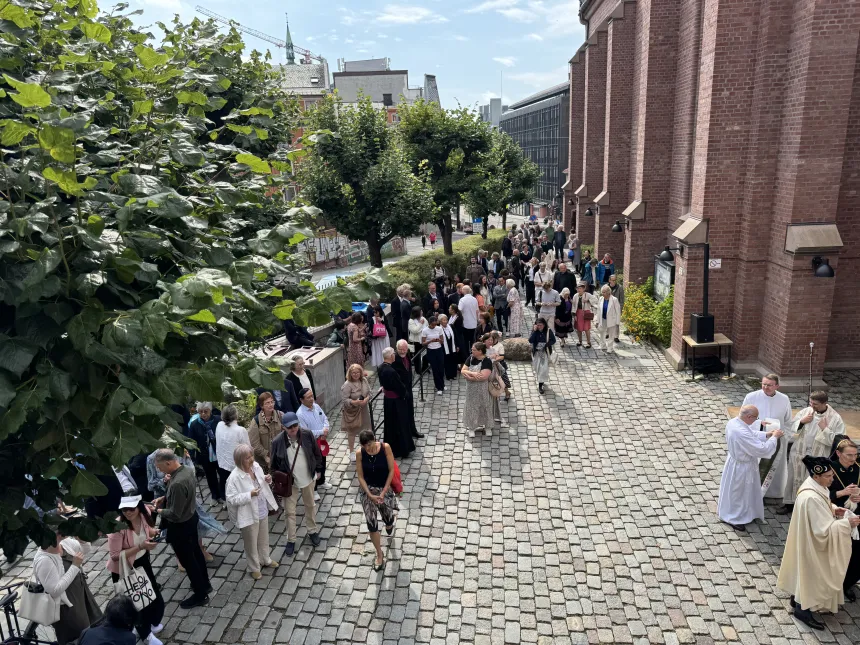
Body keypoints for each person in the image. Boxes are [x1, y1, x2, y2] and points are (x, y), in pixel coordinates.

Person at [777, 456, 859, 629]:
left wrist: (835, 509)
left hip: (807, 539)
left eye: (831, 475)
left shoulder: (814, 486)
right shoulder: (811, 497)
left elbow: (824, 507)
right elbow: (822, 531)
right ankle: (802, 610)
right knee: (812, 573)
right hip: (813, 545)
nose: (832, 479)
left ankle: (797, 597)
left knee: (804, 571)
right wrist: (847, 524)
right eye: (828, 476)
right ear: (816, 476)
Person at [152, 449, 210, 609]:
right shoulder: (187, 470)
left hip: (181, 527)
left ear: (169, 462)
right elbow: (181, 496)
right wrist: (164, 498)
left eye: (161, 467)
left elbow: (175, 514)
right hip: (191, 519)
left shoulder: (177, 482)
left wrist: (157, 510)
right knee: (197, 554)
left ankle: (200, 594)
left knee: (189, 560)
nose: (160, 471)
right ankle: (205, 584)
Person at [107, 496, 165, 645]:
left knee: (153, 596)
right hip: (124, 568)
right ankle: (146, 635)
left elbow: (146, 530)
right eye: (124, 509)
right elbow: (114, 556)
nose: (127, 512)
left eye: (131, 509)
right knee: (136, 602)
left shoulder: (144, 513)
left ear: (138, 507)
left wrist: (154, 532)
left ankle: (151, 622)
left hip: (142, 561)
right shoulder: (117, 527)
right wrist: (141, 547)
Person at [716, 406, 783, 531]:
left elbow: (750, 433)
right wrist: (775, 437)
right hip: (742, 466)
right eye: (755, 418)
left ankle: (747, 512)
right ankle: (734, 518)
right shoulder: (740, 431)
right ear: (748, 417)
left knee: (740, 491)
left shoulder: (734, 422)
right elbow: (762, 449)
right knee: (738, 492)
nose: (755, 420)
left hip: (735, 462)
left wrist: (767, 434)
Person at [31, 529, 101, 644]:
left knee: (93, 628)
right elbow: (54, 591)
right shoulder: (44, 561)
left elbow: (85, 549)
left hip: (80, 594)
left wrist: (82, 540)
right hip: (66, 607)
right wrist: (75, 566)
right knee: (80, 636)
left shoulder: (65, 543)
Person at [781, 391, 845, 513]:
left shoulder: (835, 418)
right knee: (793, 477)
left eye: (815, 404)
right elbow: (791, 427)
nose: (811, 406)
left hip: (818, 455)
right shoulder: (806, 412)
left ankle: (808, 508)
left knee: (811, 481)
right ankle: (790, 503)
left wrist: (825, 429)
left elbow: (839, 441)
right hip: (799, 451)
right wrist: (801, 422)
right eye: (810, 402)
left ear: (824, 403)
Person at [270, 412, 323, 557]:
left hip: (308, 478)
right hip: (290, 483)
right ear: (283, 428)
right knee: (289, 512)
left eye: (295, 425)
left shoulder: (307, 434)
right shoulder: (277, 442)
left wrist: (318, 470)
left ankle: (312, 530)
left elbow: (317, 453)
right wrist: (278, 479)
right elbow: (273, 465)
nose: (293, 429)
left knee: (310, 505)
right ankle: (291, 539)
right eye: (290, 427)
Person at [225, 444, 279, 580]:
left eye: (251, 456)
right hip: (248, 514)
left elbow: (262, 483)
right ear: (239, 460)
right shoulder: (234, 478)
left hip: (262, 509)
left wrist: (268, 479)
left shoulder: (256, 466)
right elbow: (231, 499)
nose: (251, 459)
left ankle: (265, 559)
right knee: (251, 543)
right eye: (247, 458)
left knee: (263, 538)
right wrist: (249, 495)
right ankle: (254, 567)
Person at [742, 374, 793, 500]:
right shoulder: (751, 397)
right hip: (758, 438)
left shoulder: (784, 399)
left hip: (777, 438)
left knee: (776, 467)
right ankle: (754, 492)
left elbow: (788, 421)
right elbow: (742, 418)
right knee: (757, 466)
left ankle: (774, 492)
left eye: (769, 385)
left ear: (777, 386)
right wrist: (759, 424)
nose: (765, 387)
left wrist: (782, 434)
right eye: (764, 384)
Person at [355, 430, 399, 571]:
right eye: (365, 446)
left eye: (369, 444)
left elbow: (391, 470)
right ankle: (379, 554)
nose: (368, 448)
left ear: (375, 439)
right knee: (371, 524)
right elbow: (360, 476)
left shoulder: (385, 448)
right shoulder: (359, 453)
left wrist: (384, 491)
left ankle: (389, 523)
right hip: (368, 492)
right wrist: (369, 494)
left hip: (383, 488)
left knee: (388, 517)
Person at [829, 438, 860, 602]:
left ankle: (847, 583)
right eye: (849, 455)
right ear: (839, 454)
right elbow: (818, 495)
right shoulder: (829, 470)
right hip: (835, 514)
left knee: (856, 553)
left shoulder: (858, 469)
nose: (853, 459)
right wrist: (842, 493)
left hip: (856, 516)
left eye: (855, 455)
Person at [377, 347, 416, 458]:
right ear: (390, 356)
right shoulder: (391, 371)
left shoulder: (380, 368)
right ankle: (402, 449)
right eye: (393, 353)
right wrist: (405, 395)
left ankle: (391, 447)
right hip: (397, 402)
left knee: (390, 424)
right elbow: (400, 388)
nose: (395, 355)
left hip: (388, 401)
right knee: (401, 424)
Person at [296, 388, 332, 497]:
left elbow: (324, 418)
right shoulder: (300, 414)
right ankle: (314, 489)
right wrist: (321, 432)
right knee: (313, 464)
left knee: (323, 459)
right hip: (310, 443)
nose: (311, 399)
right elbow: (305, 432)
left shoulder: (316, 406)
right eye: (308, 397)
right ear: (302, 400)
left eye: (312, 396)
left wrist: (325, 429)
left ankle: (321, 482)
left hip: (321, 440)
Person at [186, 402, 222, 501]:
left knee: (222, 475)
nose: (203, 414)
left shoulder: (218, 420)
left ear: (210, 411)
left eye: (205, 411)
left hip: (219, 453)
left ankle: (224, 495)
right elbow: (191, 441)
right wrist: (191, 454)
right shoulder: (195, 424)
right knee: (211, 477)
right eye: (200, 412)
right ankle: (215, 496)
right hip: (205, 455)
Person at [215, 405, 250, 502]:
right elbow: (248, 448)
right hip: (236, 465)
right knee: (238, 489)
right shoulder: (240, 430)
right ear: (235, 415)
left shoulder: (219, 425)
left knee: (225, 484)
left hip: (222, 463)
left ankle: (226, 501)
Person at [461, 342, 495, 438]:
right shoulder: (471, 358)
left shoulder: (487, 361)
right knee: (471, 407)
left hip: (482, 389)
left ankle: (487, 426)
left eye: (474, 350)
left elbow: (484, 376)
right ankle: (472, 427)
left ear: (480, 351)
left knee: (485, 405)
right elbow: (463, 370)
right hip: (471, 389)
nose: (472, 351)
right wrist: (475, 374)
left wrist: (470, 377)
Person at [393, 340, 424, 440]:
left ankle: (413, 430)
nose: (402, 352)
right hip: (401, 391)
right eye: (400, 350)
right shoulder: (394, 359)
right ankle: (405, 434)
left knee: (410, 411)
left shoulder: (407, 355)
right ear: (396, 349)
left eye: (404, 350)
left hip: (408, 388)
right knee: (403, 414)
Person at [340, 364, 372, 460]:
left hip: (364, 410)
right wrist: (355, 402)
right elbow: (344, 400)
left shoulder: (364, 380)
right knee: (352, 432)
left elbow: (370, 392)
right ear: (350, 373)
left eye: (358, 372)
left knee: (366, 430)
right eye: (353, 373)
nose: (356, 374)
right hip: (352, 412)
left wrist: (366, 399)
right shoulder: (347, 385)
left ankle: (366, 448)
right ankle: (351, 452)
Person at [248, 392, 283, 472]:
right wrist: (266, 455)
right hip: (263, 462)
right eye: (267, 403)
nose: (271, 405)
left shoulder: (279, 415)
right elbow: (254, 443)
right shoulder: (256, 421)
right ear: (262, 406)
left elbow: (285, 434)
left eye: (272, 402)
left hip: (279, 457)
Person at [529, 318, 556, 394]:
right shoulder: (535, 331)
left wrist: (546, 344)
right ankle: (541, 380)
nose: (539, 327)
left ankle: (540, 385)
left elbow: (553, 340)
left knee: (542, 369)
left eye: (540, 325)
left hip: (544, 353)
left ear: (544, 325)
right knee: (537, 368)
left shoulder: (548, 331)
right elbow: (530, 340)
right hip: (536, 353)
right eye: (538, 325)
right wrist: (534, 331)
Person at [484, 331, 511, 402]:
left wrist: (494, 360)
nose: (491, 341)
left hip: (499, 365)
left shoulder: (500, 346)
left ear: (496, 339)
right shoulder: (488, 345)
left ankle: (507, 393)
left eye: (492, 339)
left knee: (503, 380)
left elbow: (502, 357)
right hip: (489, 366)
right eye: (490, 339)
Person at [422, 316, 446, 395]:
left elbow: (442, 341)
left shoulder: (439, 329)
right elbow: (423, 343)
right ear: (429, 323)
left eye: (435, 324)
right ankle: (438, 387)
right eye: (432, 325)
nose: (434, 326)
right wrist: (430, 341)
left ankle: (442, 384)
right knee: (435, 369)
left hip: (439, 350)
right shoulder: (425, 330)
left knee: (441, 368)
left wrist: (439, 340)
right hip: (431, 351)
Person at [596, 284, 622, 354]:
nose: (603, 293)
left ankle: (610, 348)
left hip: (611, 320)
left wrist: (617, 322)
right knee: (601, 332)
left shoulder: (614, 300)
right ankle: (603, 345)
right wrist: (597, 321)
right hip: (603, 319)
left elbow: (618, 311)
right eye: (602, 292)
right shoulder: (601, 298)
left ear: (608, 292)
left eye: (604, 292)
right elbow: (598, 310)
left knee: (611, 334)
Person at [572, 282, 596, 348]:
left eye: (580, 288)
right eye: (578, 288)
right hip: (578, 312)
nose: (579, 290)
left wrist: (588, 300)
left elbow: (595, 300)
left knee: (586, 328)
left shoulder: (587, 295)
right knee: (579, 328)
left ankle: (588, 342)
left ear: (584, 289)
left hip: (586, 312)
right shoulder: (575, 296)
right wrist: (574, 315)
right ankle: (580, 341)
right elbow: (574, 306)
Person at [438, 314, 459, 381]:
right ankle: (449, 376)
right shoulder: (438, 329)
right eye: (443, 320)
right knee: (447, 361)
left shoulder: (451, 326)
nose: (445, 321)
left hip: (452, 345)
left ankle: (453, 374)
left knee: (454, 360)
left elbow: (456, 336)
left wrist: (457, 346)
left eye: (446, 320)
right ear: (440, 321)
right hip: (444, 348)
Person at [369, 304, 390, 368]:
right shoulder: (372, 319)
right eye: (374, 312)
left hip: (384, 337)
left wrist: (382, 321)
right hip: (377, 339)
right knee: (378, 351)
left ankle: (386, 362)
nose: (375, 314)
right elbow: (371, 328)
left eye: (376, 312)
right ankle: (379, 365)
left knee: (385, 349)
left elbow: (387, 326)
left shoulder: (384, 317)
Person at [408, 306, 427, 375]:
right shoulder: (411, 321)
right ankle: (418, 370)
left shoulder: (423, 318)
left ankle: (425, 367)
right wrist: (420, 324)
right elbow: (415, 330)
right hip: (415, 342)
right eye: (420, 311)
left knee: (424, 354)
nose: (422, 312)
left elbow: (426, 327)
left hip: (423, 340)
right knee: (417, 357)